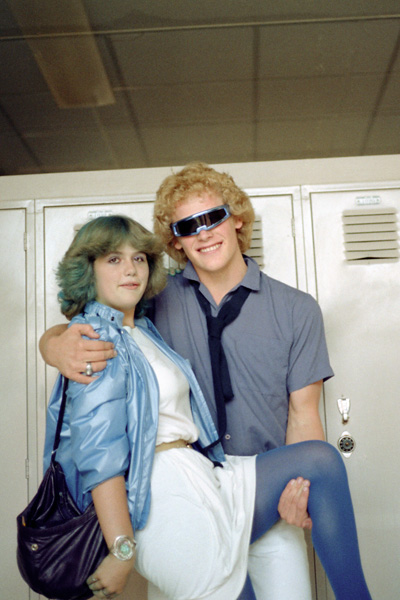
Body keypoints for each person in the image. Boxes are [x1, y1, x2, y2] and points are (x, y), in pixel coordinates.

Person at [40, 163, 335, 600]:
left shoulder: (296, 309)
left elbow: (303, 414)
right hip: (186, 500)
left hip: (264, 493)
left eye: (213, 217)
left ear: (237, 219)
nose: (204, 233)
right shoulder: (155, 299)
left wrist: (299, 489)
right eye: (187, 226)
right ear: (175, 240)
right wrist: (53, 344)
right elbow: (100, 319)